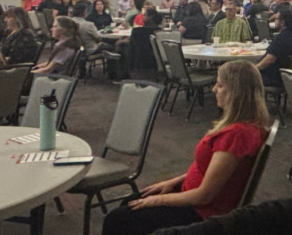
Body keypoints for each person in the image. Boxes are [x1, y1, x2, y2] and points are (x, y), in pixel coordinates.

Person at [102, 61, 269, 235]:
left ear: (236, 93)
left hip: (201, 213)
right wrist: (173, 182)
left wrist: (159, 200)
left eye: (220, 85)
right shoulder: (247, 126)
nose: (214, 89)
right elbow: (208, 171)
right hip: (194, 199)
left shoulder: (237, 134)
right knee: (131, 204)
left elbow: (204, 196)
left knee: (117, 219)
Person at [256, 9, 292, 88]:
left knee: (245, 77)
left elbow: (269, 60)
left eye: (276, 19)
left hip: (274, 76)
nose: (274, 21)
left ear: (282, 22)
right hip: (288, 75)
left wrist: (255, 69)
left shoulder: (281, 38)